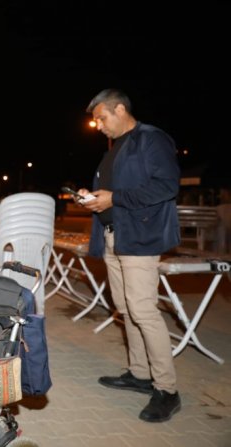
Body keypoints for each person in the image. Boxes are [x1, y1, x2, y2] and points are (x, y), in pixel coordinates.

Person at [77, 88, 181, 423]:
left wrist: (114, 198)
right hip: (114, 236)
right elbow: (113, 192)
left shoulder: (151, 139)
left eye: (101, 118)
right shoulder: (116, 147)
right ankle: (139, 373)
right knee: (125, 308)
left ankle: (167, 389)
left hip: (140, 237)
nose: (99, 126)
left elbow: (167, 186)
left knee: (143, 310)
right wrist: (92, 197)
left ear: (120, 109)